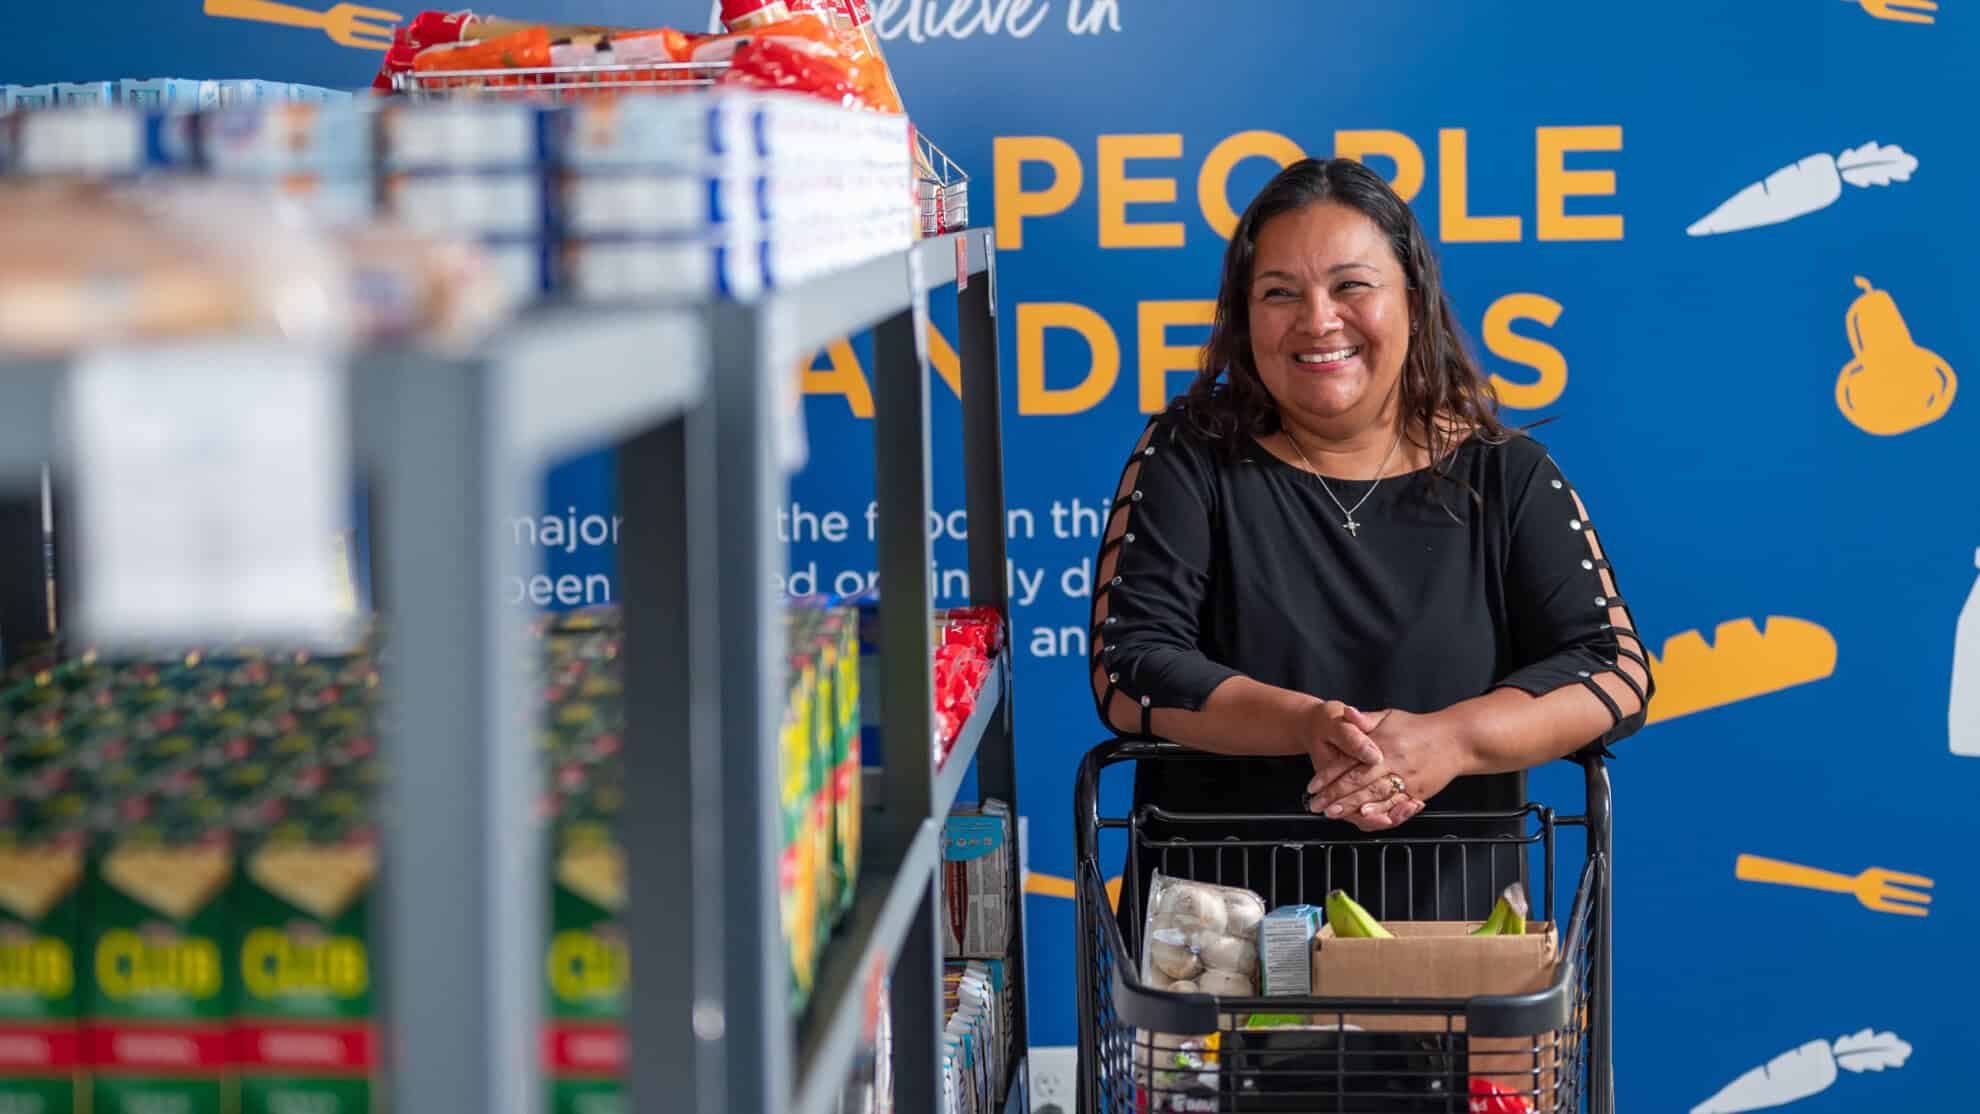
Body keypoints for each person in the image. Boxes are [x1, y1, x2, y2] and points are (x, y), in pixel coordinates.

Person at [1088, 157, 1654, 951]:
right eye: (1279, 292)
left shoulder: (1506, 473)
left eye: (1352, 286)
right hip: (1215, 958)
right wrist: (1309, 724)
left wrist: (1448, 741)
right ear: (1243, 318)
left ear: (1412, 304)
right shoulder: (1189, 453)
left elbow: (1615, 672)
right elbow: (1129, 666)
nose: (1318, 321)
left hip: (1450, 953)